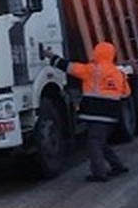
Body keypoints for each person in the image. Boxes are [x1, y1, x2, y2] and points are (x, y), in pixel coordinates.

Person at [42, 41, 131, 182]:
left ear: (97, 53)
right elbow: (126, 93)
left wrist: (51, 57)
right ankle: (118, 166)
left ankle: (99, 173)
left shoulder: (92, 70)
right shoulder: (118, 73)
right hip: (111, 116)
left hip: (94, 114)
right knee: (100, 142)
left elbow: (69, 67)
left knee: (94, 143)